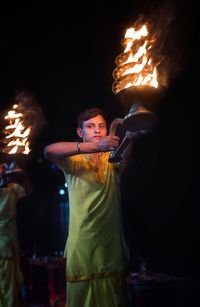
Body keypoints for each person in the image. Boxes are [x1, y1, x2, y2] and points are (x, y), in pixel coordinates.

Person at [44, 107, 134, 307]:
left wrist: (131, 134)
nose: (97, 130)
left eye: (101, 126)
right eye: (90, 126)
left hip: (111, 243)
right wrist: (95, 147)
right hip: (83, 243)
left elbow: (125, 155)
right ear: (80, 132)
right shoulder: (74, 160)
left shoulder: (112, 159)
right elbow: (48, 151)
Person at [0, 162, 28, 307]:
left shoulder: (11, 189)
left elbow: (27, 189)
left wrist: (14, 174)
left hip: (8, 247)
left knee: (9, 293)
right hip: (4, 248)